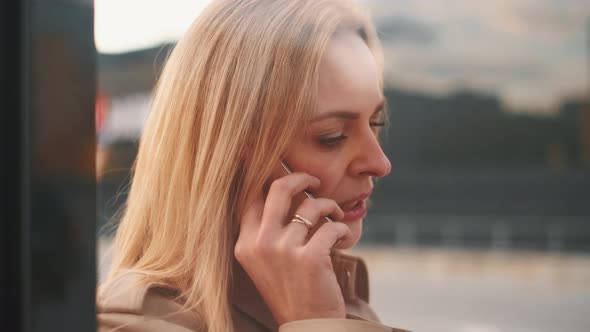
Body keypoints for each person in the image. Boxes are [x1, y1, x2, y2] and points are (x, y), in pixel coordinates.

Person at [97, 0, 410, 331]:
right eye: (331, 137)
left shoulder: (333, 292)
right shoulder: (131, 324)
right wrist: (312, 320)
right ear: (232, 153)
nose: (380, 163)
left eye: (376, 123)